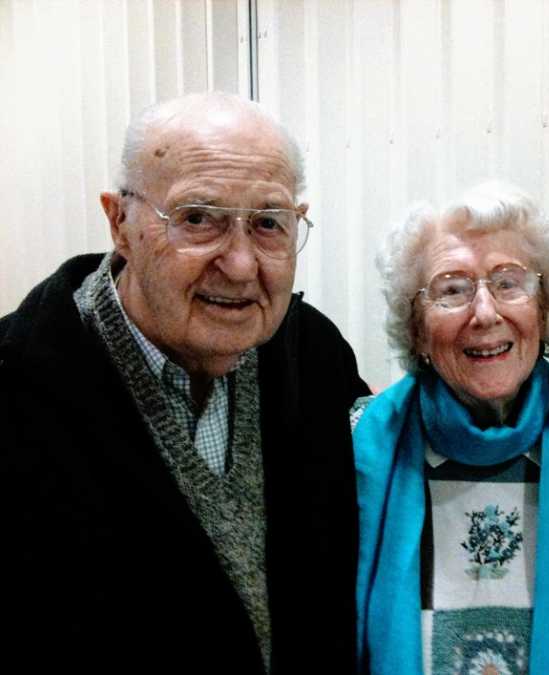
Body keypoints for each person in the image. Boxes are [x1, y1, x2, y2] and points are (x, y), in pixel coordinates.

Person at [0, 92, 369, 674]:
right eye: (198, 219)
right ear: (120, 223)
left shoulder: (316, 360)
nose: (242, 264)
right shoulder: (15, 387)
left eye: (269, 224)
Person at [352, 181, 549, 674]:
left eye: (509, 283)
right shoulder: (356, 446)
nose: (485, 313)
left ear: (544, 309)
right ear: (418, 330)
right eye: (452, 290)